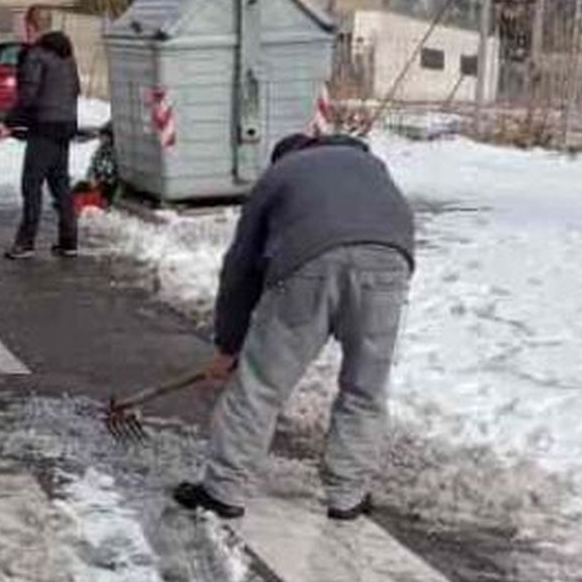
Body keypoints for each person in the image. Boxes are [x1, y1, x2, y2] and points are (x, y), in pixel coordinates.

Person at [174, 133, 416, 521]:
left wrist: (230, 345)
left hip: (309, 264)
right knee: (365, 387)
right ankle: (347, 496)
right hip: (389, 265)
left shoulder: (280, 174)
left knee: (260, 386)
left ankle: (223, 490)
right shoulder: (371, 166)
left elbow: (240, 268)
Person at [0, 7, 81, 260]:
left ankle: (26, 243)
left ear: (30, 26)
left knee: (31, 184)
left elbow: (28, 95)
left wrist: (9, 122)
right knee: (60, 183)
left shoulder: (36, 54)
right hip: (65, 124)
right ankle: (69, 241)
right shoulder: (67, 54)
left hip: (44, 127)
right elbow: (75, 88)